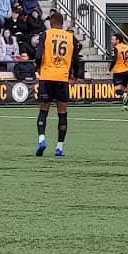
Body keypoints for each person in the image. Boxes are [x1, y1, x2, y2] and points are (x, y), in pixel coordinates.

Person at [34, 10, 77, 158]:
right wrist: (73, 74)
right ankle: (59, 147)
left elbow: (38, 55)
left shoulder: (45, 34)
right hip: (62, 77)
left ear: (51, 23)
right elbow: (75, 59)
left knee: (43, 111)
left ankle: (41, 139)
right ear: (62, 23)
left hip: (47, 76)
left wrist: (37, 68)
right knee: (62, 113)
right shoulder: (70, 37)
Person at [110, 34, 128, 106]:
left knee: (117, 91)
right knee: (124, 89)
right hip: (127, 71)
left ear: (118, 40)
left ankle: (124, 94)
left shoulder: (116, 48)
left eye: (113, 40)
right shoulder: (127, 47)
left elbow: (114, 60)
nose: (111, 41)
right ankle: (125, 106)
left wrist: (109, 69)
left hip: (118, 71)